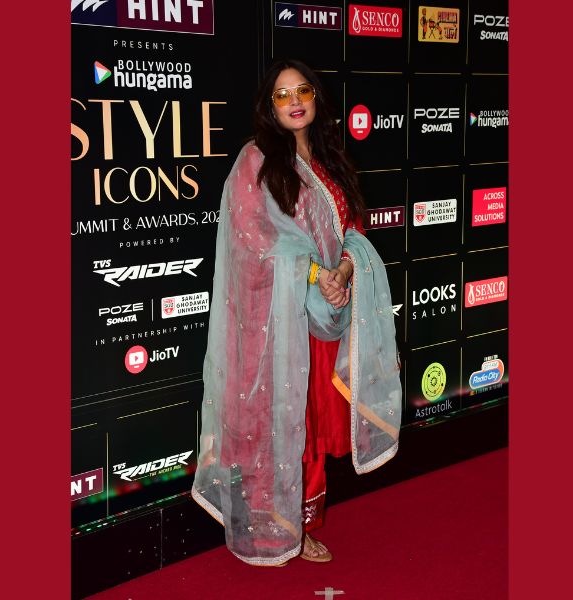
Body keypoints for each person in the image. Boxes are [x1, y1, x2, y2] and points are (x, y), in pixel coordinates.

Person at [191, 59, 402, 567]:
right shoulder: (256, 160)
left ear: (315, 98)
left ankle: (301, 520)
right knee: (286, 421)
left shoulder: (329, 158)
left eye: (302, 90)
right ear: (270, 106)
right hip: (280, 322)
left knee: (311, 424)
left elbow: (353, 227)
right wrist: (313, 273)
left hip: (327, 315)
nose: (294, 101)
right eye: (282, 94)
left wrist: (344, 270)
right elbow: (252, 241)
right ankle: (283, 527)